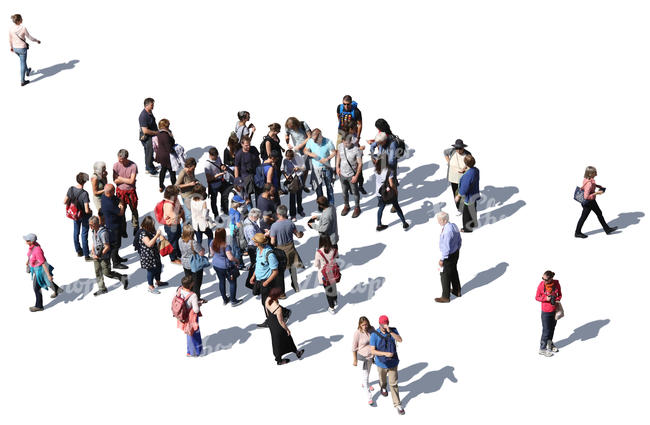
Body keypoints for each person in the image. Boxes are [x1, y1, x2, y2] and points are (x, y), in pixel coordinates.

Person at [369, 315, 404, 415]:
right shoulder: (374, 335)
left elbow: (400, 340)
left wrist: (391, 332)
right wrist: (385, 354)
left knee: (393, 384)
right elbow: (373, 350)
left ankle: (397, 404)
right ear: (379, 324)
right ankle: (383, 387)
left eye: (386, 324)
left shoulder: (393, 330)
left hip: (393, 362)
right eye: (383, 324)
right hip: (381, 363)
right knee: (382, 379)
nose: (385, 326)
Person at [89, 216, 128, 296]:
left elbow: (107, 247)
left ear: (96, 224)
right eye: (89, 225)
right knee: (98, 272)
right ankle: (102, 289)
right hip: (96, 256)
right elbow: (94, 242)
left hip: (104, 257)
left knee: (107, 273)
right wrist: (93, 252)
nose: (90, 227)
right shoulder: (93, 231)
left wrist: (99, 256)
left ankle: (121, 277)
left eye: (91, 225)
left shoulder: (103, 233)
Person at [264, 287, 304, 365]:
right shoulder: (278, 308)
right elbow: (281, 322)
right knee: (288, 338)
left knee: (276, 342)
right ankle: (296, 352)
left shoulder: (267, 299)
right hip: (278, 325)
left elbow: (267, 312)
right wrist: (287, 329)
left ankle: (279, 359)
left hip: (271, 322)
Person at [575, 166, 618, 238]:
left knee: (598, 213)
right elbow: (586, 196)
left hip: (591, 201)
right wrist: (596, 193)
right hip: (589, 202)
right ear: (590, 174)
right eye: (595, 172)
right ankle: (577, 233)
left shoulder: (587, 179)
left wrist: (598, 186)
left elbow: (589, 185)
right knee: (585, 217)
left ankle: (607, 229)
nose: (596, 173)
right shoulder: (589, 183)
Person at [270, 205, 304, 293]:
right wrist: (301, 234)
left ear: (278, 214)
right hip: (291, 248)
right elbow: (298, 235)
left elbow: (273, 242)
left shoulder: (274, 226)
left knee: (280, 273)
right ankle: (296, 286)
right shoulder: (291, 223)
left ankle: (282, 293)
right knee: (293, 269)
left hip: (280, 250)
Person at [24, 233, 62, 312]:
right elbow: (30, 255)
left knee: (36, 287)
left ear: (31, 241)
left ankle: (39, 306)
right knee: (47, 281)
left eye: (27, 240)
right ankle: (57, 290)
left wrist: (48, 275)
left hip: (40, 270)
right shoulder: (32, 246)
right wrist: (28, 261)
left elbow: (43, 263)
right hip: (36, 268)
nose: (25, 242)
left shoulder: (37, 250)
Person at [250, 233, 280, 327]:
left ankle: (271, 321)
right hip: (259, 280)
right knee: (266, 301)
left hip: (267, 282)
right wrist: (253, 276)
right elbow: (258, 264)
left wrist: (266, 282)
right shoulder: (258, 249)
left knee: (266, 302)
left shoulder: (269, 254)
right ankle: (279, 314)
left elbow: (275, 271)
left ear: (258, 243)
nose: (253, 241)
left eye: (254, 240)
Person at [375, 155, 409, 231]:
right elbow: (391, 184)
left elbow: (377, 162)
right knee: (397, 207)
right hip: (388, 193)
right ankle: (404, 223)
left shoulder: (376, 169)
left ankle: (379, 224)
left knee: (381, 208)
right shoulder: (389, 171)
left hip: (379, 192)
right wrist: (395, 192)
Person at [211, 228, 243, 306]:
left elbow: (212, 253)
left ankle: (225, 300)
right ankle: (233, 301)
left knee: (221, 281)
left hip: (216, 264)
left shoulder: (212, 242)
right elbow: (230, 258)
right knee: (232, 282)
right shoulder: (225, 245)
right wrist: (237, 260)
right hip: (226, 267)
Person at [64, 172, 92, 260]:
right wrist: (91, 211)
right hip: (84, 216)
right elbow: (87, 210)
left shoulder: (71, 189)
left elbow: (65, 201)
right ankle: (87, 255)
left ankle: (79, 251)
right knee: (84, 235)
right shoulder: (85, 194)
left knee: (76, 233)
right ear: (84, 182)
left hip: (75, 215)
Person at [137, 216, 168, 294]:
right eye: (152, 225)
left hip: (154, 253)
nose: (153, 226)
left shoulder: (150, 229)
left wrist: (161, 236)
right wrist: (157, 236)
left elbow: (155, 234)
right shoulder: (143, 233)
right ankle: (150, 286)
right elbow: (149, 244)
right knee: (151, 271)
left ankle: (158, 281)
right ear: (147, 225)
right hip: (147, 255)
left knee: (158, 267)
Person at [304, 129, 336, 205]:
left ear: (320, 136)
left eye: (316, 140)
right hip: (316, 169)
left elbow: (334, 152)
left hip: (326, 168)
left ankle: (331, 203)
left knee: (329, 186)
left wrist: (327, 159)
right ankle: (321, 204)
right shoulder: (311, 141)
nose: (314, 141)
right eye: (313, 139)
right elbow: (305, 150)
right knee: (318, 187)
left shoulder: (328, 141)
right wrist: (311, 154)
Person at [337, 126, 363, 218]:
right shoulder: (340, 146)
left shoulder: (356, 150)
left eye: (348, 143)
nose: (346, 145)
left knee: (355, 192)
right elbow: (338, 156)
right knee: (344, 192)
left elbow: (360, 164)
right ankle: (346, 206)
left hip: (352, 175)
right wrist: (337, 167)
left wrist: (356, 176)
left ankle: (357, 207)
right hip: (342, 174)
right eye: (345, 143)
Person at [436, 211, 462, 303]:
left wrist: (442, 259)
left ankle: (445, 297)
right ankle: (456, 290)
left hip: (448, 256)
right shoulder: (454, 225)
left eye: (439, 220)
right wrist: (457, 248)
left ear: (445, 220)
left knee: (444, 275)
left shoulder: (447, 231)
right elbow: (459, 239)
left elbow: (446, 248)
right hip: (455, 253)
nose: (438, 222)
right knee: (454, 271)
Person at [535, 271, 563, 357]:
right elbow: (537, 297)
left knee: (552, 328)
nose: (543, 280)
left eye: (545, 279)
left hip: (554, 310)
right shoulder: (541, 285)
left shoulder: (556, 283)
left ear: (551, 279)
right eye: (542, 278)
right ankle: (542, 349)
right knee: (546, 330)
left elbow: (560, 295)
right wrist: (546, 298)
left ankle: (550, 345)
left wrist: (556, 299)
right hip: (545, 311)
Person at [100, 184, 128, 270]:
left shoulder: (104, 196)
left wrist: (118, 201)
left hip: (113, 224)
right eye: (114, 191)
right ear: (110, 192)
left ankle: (117, 257)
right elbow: (120, 212)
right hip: (113, 226)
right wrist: (122, 206)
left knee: (116, 244)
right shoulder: (109, 204)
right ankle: (115, 263)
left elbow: (116, 199)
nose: (115, 192)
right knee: (116, 245)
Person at [113, 149, 140, 237]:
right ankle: (123, 230)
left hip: (131, 192)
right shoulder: (116, 165)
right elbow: (115, 180)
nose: (119, 161)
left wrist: (120, 178)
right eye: (119, 159)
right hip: (120, 193)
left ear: (126, 158)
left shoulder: (133, 166)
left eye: (121, 160)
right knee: (121, 211)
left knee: (134, 209)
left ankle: (136, 227)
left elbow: (132, 181)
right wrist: (126, 180)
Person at [9, 14, 41, 86]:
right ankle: (22, 81)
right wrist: (37, 40)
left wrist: (11, 47)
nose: (22, 19)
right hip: (22, 48)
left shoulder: (11, 29)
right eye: (21, 18)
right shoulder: (23, 28)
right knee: (22, 63)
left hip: (15, 48)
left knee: (22, 61)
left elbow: (10, 39)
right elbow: (30, 37)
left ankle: (27, 70)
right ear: (19, 20)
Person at [179, 223, 207, 302]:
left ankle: (188, 294)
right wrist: (203, 249)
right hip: (194, 264)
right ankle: (197, 299)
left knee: (188, 281)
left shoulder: (180, 240)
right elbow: (201, 253)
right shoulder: (193, 242)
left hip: (185, 263)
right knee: (196, 282)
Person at [177, 275, 203, 357]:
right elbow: (196, 310)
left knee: (188, 332)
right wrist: (199, 304)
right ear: (191, 284)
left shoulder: (179, 289)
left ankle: (189, 351)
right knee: (194, 333)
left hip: (182, 315)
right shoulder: (193, 295)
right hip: (191, 317)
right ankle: (196, 352)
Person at [352, 316, 376, 405]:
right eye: (363, 325)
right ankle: (369, 397)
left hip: (371, 356)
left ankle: (365, 384)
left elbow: (376, 339)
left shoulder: (372, 329)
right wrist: (355, 360)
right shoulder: (357, 333)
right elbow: (354, 348)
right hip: (362, 358)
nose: (365, 326)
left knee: (368, 373)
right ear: (360, 325)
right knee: (365, 376)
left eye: (366, 324)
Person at [444, 140, 471, 214]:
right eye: (457, 148)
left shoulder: (468, 154)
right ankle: (459, 209)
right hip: (453, 177)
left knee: (464, 193)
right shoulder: (452, 151)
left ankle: (466, 208)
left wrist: (465, 168)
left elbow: (470, 163)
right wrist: (449, 162)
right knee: (456, 193)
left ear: (463, 147)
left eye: (460, 148)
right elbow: (445, 152)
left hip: (463, 177)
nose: (458, 150)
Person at [285, 117, 312, 191]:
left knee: (305, 167)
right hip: (296, 150)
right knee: (296, 166)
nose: (292, 129)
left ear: (296, 124)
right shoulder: (288, 127)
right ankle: (296, 183)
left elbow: (310, 137)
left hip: (306, 148)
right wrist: (287, 143)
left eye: (293, 127)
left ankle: (303, 184)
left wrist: (300, 145)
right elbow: (287, 135)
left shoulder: (303, 124)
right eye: (290, 128)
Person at [234, 136, 261, 208]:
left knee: (258, 191)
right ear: (242, 144)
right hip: (245, 176)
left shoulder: (254, 149)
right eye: (246, 145)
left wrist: (260, 170)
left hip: (255, 174)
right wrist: (237, 180)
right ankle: (251, 210)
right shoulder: (239, 154)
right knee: (247, 195)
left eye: (249, 144)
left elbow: (258, 160)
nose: (248, 146)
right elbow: (236, 167)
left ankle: (259, 208)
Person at [314, 235, 339, 313]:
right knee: (333, 286)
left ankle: (331, 308)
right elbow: (337, 257)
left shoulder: (319, 252)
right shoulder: (334, 250)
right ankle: (335, 300)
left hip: (324, 274)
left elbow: (316, 264)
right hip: (333, 272)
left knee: (328, 290)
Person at [456, 154, 480, 232]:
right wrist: (466, 170)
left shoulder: (468, 175)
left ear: (465, 163)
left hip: (469, 198)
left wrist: (458, 196)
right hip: (475, 195)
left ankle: (467, 229)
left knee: (466, 214)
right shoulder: (476, 170)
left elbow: (464, 189)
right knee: (473, 210)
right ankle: (474, 224)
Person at [205, 147, 232, 217]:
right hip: (213, 184)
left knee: (224, 196)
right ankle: (216, 215)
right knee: (214, 201)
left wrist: (222, 167)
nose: (216, 158)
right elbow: (209, 179)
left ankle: (224, 210)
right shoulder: (207, 165)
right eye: (215, 156)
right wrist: (218, 175)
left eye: (217, 156)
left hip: (221, 181)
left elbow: (220, 165)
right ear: (211, 155)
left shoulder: (218, 158)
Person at [161, 185, 184, 264]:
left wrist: (180, 213)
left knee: (178, 240)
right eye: (176, 194)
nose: (177, 195)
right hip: (171, 227)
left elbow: (180, 209)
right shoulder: (168, 205)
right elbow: (175, 217)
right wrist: (180, 213)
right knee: (173, 243)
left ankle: (179, 253)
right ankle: (173, 258)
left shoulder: (175, 199)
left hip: (176, 225)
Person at [282, 149, 306, 219]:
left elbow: (304, 168)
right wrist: (286, 176)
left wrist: (299, 168)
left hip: (299, 177)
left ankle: (300, 210)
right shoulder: (285, 158)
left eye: (290, 158)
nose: (289, 159)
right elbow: (282, 169)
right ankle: (293, 214)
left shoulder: (298, 157)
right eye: (287, 158)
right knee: (292, 197)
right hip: (291, 179)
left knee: (299, 196)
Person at [175, 157, 199, 225]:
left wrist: (196, 181)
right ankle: (183, 230)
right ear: (189, 166)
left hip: (192, 193)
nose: (194, 169)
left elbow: (193, 178)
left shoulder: (192, 170)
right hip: (186, 196)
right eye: (193, 168)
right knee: (188, 215)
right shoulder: (182, 173)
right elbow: (177, 185)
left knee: (193, 212)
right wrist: (189, 184)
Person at [190, 185, 214, 252]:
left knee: (199, 240)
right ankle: (211, 251)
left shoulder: (192, 200)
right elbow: (204, 215)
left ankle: (199, 253)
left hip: (195, 224)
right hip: (203, 224)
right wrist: (207, 211)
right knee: (210, 236)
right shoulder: (203, 202)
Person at [138, 97, 159, 175]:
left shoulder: (149, 112)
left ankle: (149, 167)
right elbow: (145, 131)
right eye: (151, 104)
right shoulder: (143, 116)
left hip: (151, 136)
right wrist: (156, 133)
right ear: (146, 105)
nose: (153, 106)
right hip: (147, 137)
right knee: (149, 153)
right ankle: (151, 171)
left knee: (148, 153)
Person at [155, 118, 176, 192]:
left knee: (163, 170)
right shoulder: (166, 135)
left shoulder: (158, 133)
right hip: (167, 156)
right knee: (172, 171)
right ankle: (174, 187)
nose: (168, 127)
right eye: (167, 126)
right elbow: (169, 148)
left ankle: (161, 186)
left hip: (161, 154)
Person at [229, 195, 245, 266]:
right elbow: (238, 224)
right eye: (240, 203)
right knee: (238, 249)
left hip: (232, 230)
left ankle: (235, 262)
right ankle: (240, 264)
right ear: (236, 204)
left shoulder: (230, 210)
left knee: (234, 248)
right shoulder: (237, 213)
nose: (241, 204)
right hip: (237, 232)